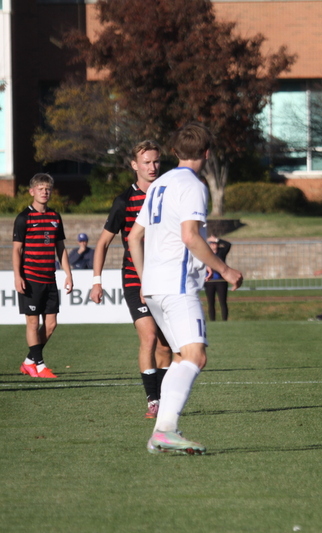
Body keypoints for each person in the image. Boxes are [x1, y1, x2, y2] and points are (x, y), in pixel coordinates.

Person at [129, 123, 244, 455]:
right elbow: (190, 236)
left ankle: (162, 432)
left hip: (155, 286)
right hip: (176, 286)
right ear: (206, 153)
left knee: (180, 358)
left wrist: (144, 278)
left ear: (175, 152)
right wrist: (225, 269)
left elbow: (134, 237)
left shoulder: (158, 184)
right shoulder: (193, 185)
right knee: (196, 356)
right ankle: (165, 431)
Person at [90, 140, 173, 419]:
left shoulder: (168, 195)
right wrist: (97, 281)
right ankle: (153, 400)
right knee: (149, 337)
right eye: (146, 162)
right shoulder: (124, 201)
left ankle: (163, 397)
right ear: (134, 165)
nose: (152, 167)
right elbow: (102, 243)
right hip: (134, 278)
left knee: (165, 345)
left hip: (165, 277)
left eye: (156, 161)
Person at [14, 173, 73, 379]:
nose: (44, 192)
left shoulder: (55, 217)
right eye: (40, 189)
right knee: (32, 323)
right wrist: (17, 276)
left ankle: (29, 361)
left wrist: (68, 274)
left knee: (51, 324)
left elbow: (61, 248)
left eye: (47, 189)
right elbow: (17, 250)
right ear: (32, 191)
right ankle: (39, 366)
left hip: (50, 279)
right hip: (30, 278)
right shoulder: (24, 218)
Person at [204, 236, 232, 321]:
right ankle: (212, 320)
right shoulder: (206, 253)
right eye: (211, 243)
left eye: (215, 243)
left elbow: (228, 245)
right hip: (209, 282)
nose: (213, 245)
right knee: (211, 302)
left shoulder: (221, 252)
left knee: (223, 302)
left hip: (221, 281)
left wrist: (217, 239)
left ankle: (224, 320)